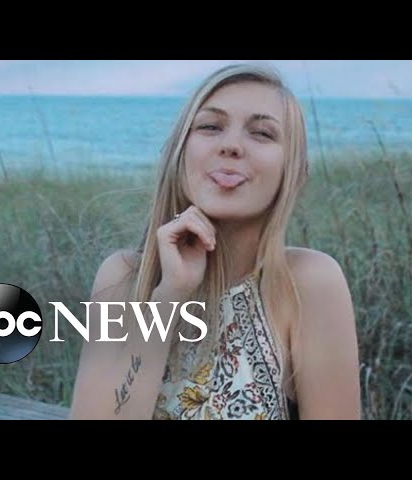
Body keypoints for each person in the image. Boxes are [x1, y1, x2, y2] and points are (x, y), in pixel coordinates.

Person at [68, 63, 361, 420]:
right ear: (180, 152)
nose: (231, 145)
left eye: (262, 133)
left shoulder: (308, 282)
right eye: (210, 126)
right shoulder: (123, 278)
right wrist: (169, 296)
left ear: (293, 170)